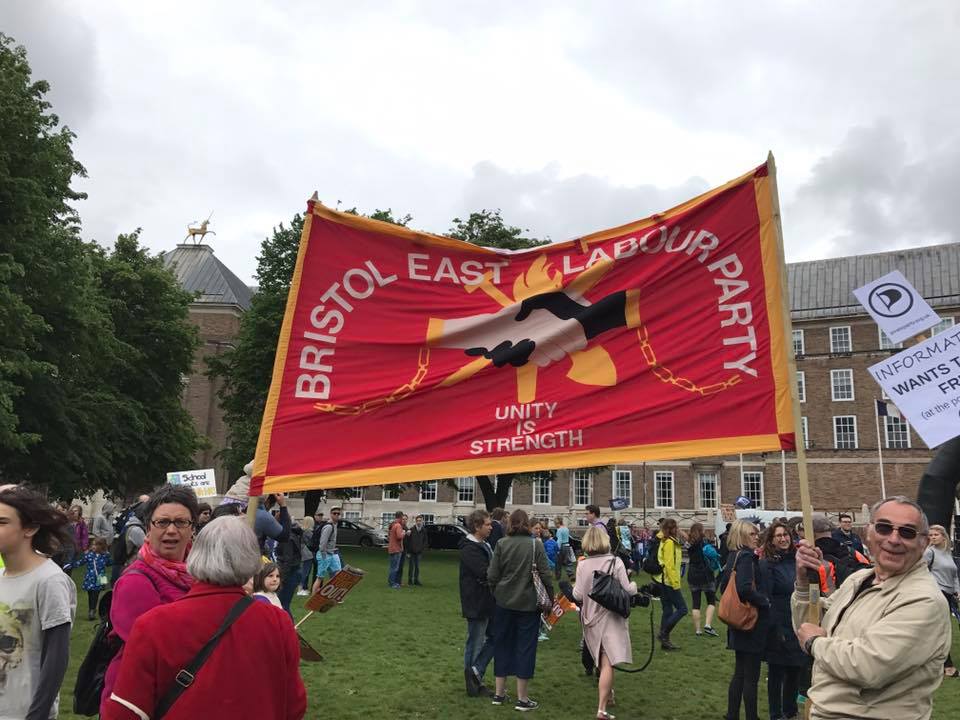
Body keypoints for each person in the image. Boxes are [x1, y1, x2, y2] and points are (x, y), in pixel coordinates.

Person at [102, 516, 306, 719]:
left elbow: (125, 712)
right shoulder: (278, 622)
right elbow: (293, 706)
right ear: (252, 563)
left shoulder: (154, 624)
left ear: (196, 555)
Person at [793, 496, 950, 720]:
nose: (894, 539)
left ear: (924, 543)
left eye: (907, 532)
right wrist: (803, 583)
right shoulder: (859, 578)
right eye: (884, 528)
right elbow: (809, 625)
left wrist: (815, 643)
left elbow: (868, 666)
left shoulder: (924, 600)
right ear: (868, 533)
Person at [101, 484, 199, 714]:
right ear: (148, 528)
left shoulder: (201, 574)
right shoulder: (135, 581)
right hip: (139, 700)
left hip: (183, 694)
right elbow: (157, 650)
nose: (172, 530)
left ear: (192, 528)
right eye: (162, 522)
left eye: (181, 522)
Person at [0, 487, 77, 720]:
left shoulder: (49, 581)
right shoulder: (1, 575)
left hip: (24, 712)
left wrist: (37, 714)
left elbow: (56, 657)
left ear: (30, 528)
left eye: (2, 522)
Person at [487, 509, 553, 711]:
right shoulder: (536, 544)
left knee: (502, 645)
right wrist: (549, 600)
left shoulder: (501, 544)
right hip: (528, 604)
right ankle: (522, 698)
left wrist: (496, 592)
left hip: (504, 603)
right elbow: (545, 575)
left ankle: (499, 694)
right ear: (526, 524)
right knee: (525, 649)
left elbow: (492, 575)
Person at [573, 526, 637, 720]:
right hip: (611, 617)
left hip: (591, 618)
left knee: (603, 660)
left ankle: (609, 695)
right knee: (608, 662)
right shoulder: (615, 562)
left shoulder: (582, 565)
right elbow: (629, 590)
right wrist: (634, 584)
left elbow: (577, 595)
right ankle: (601, 709)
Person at [719, 519, 771, 720]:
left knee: (740, 672)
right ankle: (751, 716)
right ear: (741, 536)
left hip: (737, 622)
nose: (757, 537)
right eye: (752, 534)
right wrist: (765, 601)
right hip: (750, 621)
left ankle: (732, 714)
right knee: (751, 676)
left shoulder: (733, 556)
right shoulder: (746, 557)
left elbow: (724, 585)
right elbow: (744, 588)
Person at [759, 520, 805, 720]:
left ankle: (790, 710)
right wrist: (773, 626)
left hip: (797, 620)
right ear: (772, 539)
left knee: (795, 668)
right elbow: (766, 595)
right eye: (778, 536)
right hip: (778, 620)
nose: (783, 539)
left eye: (785, 535)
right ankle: (776, 713)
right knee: (777, 671)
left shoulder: (796, 560)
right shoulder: (768, 564)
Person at [459, 509, 496, 697]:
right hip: (476, 602)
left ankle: (477, 672)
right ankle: (473, 683)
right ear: (476, 526)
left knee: (496, 636)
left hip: (488, 600)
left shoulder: (485, 545)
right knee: (475, 643)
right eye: (488, 524)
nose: (491, 527)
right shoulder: (469, 548)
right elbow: (485, 572)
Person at [923, 524, 960, 677]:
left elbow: (954, 574)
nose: (932, 537)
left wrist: (958, 590)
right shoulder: (929, 552)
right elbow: (920, 570)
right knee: (942, 629)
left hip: (951, 594)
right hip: (939, 593)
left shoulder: (947, 553)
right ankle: (947, 666)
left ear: (943, 536)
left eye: (936, 535)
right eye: (930, 535)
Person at [654, 518, 687, 650]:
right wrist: (675, 583)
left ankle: (665, 642)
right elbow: (669, 565)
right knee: (682, 609)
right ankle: (663, 633)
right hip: (668, 580)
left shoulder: (667, 541)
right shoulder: (669, 543)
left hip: (663, 580)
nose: (677, 529)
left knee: (667, 610)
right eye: (675, 527)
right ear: (671, 529)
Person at [686, 522, 720, 637]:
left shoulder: (689, 543)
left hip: (692, 574)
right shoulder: (703, 543)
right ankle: (708, 625)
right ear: (701, 531)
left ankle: (698, 630)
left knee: (696, 603)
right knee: (711, 601)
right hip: (705, 574)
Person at [68, 537, 113, 620]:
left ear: (101, 546)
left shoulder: (105, 556)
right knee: (90, 594)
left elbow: (110, 563)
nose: (93, 546)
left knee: (96, 594)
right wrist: (70, 565)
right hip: (90, 577)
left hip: (100, 577)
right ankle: (91, 609)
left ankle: (92, 610)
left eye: (95, 545)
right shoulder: (89, 555)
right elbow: (81, 562)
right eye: (92, 545)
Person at [316, 507, 342, 583]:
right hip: (325, 554)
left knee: (337, 574)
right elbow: (322, 543)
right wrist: (324, 555)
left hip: (332, 553)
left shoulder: (335, 524)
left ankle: (332, 593)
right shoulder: (329, 526)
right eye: (334, 513)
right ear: (331, 514)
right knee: (320, 578)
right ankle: (314, 594)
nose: (336, 515)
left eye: (338, 513)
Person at [66, 504, 89, 571]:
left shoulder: (81, 523)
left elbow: (84, 536)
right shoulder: (67, 521)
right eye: (73, 510)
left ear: (79, 512)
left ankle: (68, 578)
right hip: (66, 546)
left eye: (76, 511)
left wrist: (85, 548)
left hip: (75, 547)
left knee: (70, 565)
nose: (74, 512)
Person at [406, 514, 427, 586]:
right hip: (411, 552)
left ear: (422, 521)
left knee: (417, 567)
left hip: (419, 552)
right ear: (415, 521)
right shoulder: (411, 529)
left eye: (420, 521)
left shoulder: (424, 530)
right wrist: (408, 552)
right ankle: (410, 580)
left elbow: (425, 541)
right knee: (411, 567)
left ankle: (416, 580)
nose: (419, 522)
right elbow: (408, 541)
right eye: (417, 521)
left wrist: (422, 549)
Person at [387, 511, 405, 589]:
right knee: (395, 567)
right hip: (396, 549)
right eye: (402, 518)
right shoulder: (398, 525)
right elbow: (399, 536)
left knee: (392, 567)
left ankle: (390, 581)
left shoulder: (392, 525)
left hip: (391, 548)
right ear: (400, 517)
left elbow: (389, 535)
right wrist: (403, 533)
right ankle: (393, 583)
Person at [297, 515, 315, 596]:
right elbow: (312, 543)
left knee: (303, 571)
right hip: (307, 553)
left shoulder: (301, 530)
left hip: (302, 552)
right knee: (305, 571)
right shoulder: (308, 532)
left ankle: (303, 588)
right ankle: (300, 589)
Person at [553, 516, 575, 581]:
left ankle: (558, 576)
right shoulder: (566, 529)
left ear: (557, 523)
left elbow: (559, 540)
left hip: (561, 546)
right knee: (568, 561)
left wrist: (557, 549)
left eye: (555, 524)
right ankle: (571, 575)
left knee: (558, 562)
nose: (555, 525)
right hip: (567, 545)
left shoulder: (559, 530)